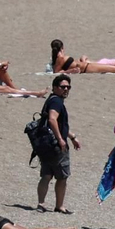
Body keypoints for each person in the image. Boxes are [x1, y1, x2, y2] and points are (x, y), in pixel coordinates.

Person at [36, 75, 79, 213]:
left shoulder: (52, 100)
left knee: (46, 175)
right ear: (55, 88)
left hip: (45, 144)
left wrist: (72, 137)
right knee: (62, 176)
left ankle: (41, 203)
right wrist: (61, 139)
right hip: (56, 145)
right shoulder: (57, 102)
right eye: (63, 87)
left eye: (68, 87)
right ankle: (59, 205)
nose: (66, 89)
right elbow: (52, 120)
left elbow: (58, 124)